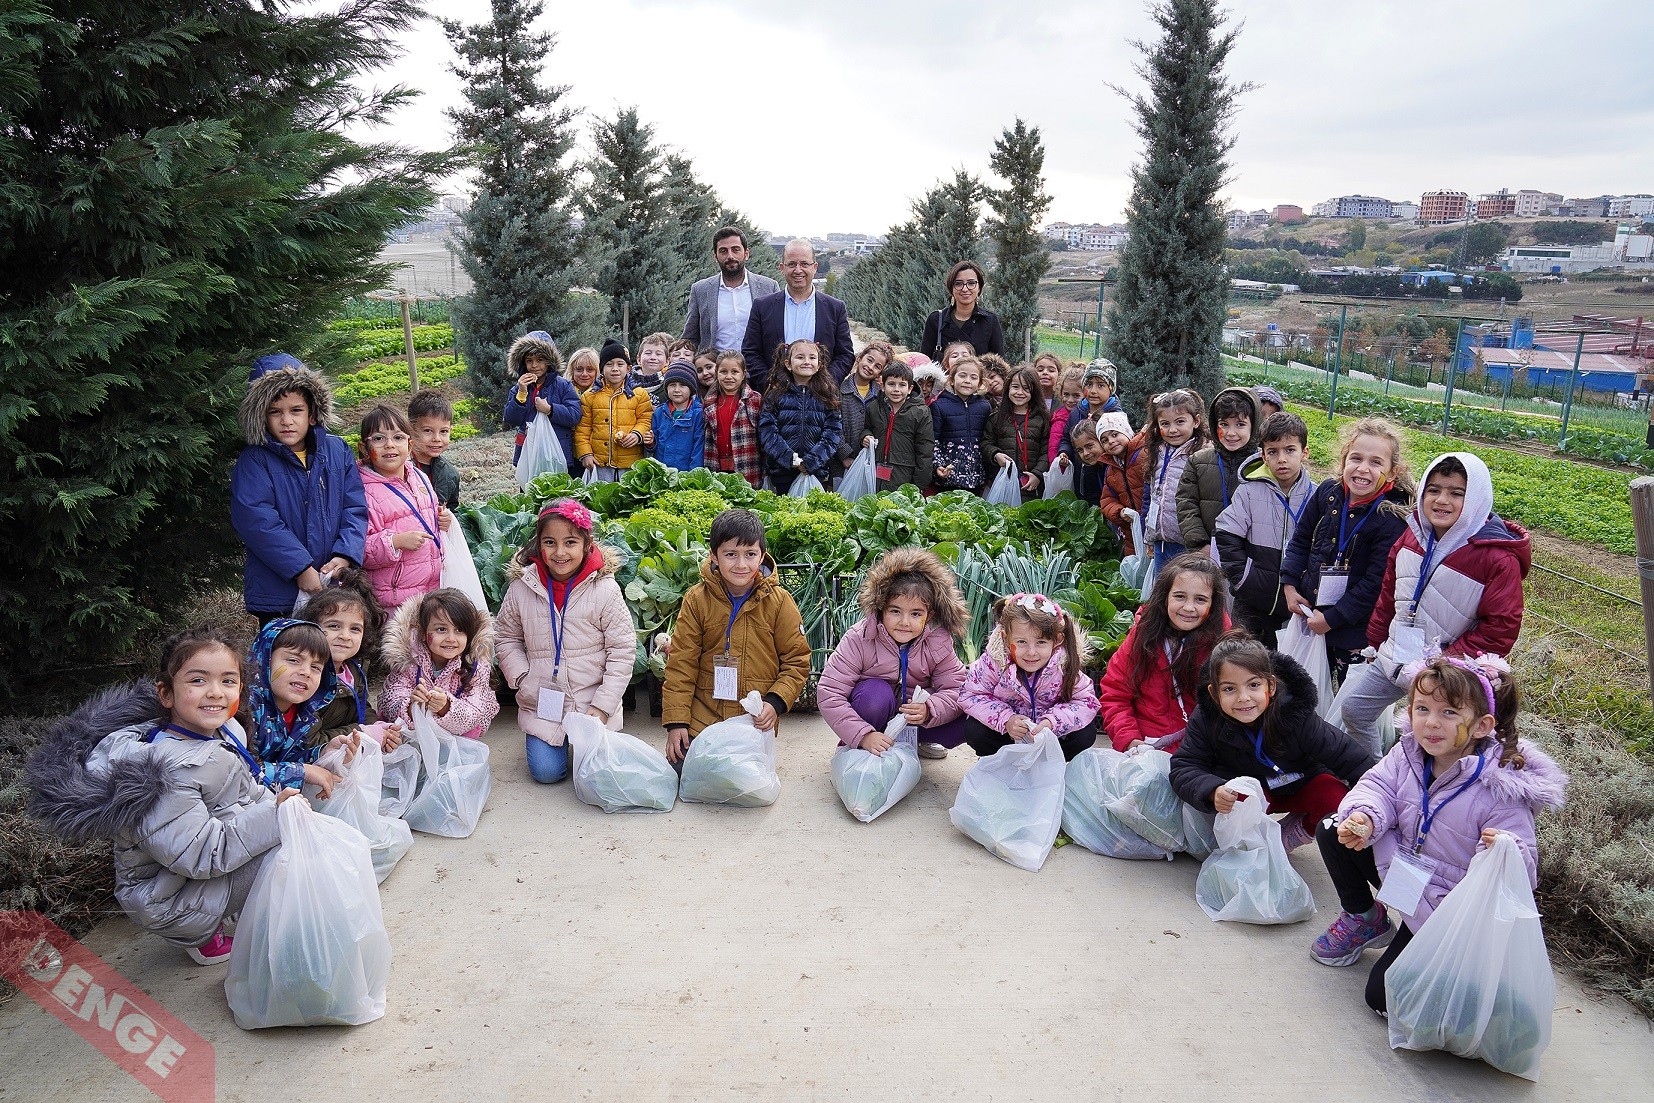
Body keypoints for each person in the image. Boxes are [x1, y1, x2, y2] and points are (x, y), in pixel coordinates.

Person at [28, 629, 301, 965]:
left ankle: (229, 912)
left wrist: (276, 807)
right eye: (198, 681)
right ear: (166, 693)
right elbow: (202, 854)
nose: (215, 693)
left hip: (187, 873)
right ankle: (201, 931)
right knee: (285, 849)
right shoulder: (159, 770)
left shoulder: (221, 732)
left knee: (291, 834)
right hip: (164, 897)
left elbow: (246, 792)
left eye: (228, 681)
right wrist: (275, 817)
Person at [1313, 653, 1566, 1015]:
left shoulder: (1502, 788)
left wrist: (1503, 850)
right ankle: (1365, 918)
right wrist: (1366, 818)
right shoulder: (1408, 752)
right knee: (1335, 828)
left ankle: (1470, 985)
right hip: (1406, 873)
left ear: (1481, 725)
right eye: (1421, 709)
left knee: (1383, 999)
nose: (1430, 723)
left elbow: (1522, 875)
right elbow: (1377, 787)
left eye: (1449, 713)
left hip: (1447, 909)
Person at [1337, 452, 1530, 757]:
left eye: (1456, 493)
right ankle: (1372, 774)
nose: (1442, 500)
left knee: (1426, 735)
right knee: (1355, 709)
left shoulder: (1496, 558)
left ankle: (1412, 784)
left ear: (1477, 498)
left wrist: (1444, 663)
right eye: (1434, 490)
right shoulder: (1411, 537)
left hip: (1446, 671)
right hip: (1396, 654)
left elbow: (1501, 628)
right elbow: (1389, 593)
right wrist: (1376, 640)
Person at [1170, 631, 1376, 854]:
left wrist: (1369, 810)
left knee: (1335, 797)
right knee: (1236, 796)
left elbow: (1355, 761)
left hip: (1299, 783)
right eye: (1229, 689)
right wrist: (1213, 790)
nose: (1243, 697)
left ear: (1271, 686)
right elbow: (1184, 766)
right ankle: (1249, 844)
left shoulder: (1297, 715)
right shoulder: (1207, 718)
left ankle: (1295, 832)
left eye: (1254, 685)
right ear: (1214, 693)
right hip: (1250, 793)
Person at [495, 500, 636, 785]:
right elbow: (506, 637)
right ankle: (552, 743)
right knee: (547, 774)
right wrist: (523, 678)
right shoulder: (522, 587)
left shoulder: (605, 589)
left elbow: (622, 650)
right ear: (539, 545)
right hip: (542, 702)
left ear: (586, 544)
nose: (560, 552)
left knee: (598, 777)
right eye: (550, 542)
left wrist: (603, 706)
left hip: (591, 701)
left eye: (570, 542)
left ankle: (589, 736)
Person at [662, 508, 812, 764]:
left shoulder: (779, 602)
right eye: (730, 554)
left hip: (754, 721)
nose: (741, 564)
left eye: (750, 554)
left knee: (743, 784)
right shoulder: (697, 600)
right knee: (686, 773)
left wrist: (774, 704)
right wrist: (676, 722)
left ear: (762, 556)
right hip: (703, 717)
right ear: (714, 557)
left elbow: (797, 661)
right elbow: (681, 664)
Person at [230, 354, 366, 625]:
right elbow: (257, 521)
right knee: (286, 658)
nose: (286, 421)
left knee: (332, 655)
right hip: (279, 589)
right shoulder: (255, 460)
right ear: (261, 417)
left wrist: (345, 554)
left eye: (296, 410)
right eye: (275, 412)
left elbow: (355, 508)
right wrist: (300, 568)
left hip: (333, 580)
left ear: (313, 413)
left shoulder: (337, 451)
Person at [1280, 417, 1413, 680]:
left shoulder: (1391, 518)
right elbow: (1301, 538)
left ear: (1393, 472)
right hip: (1310, 614)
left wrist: (1333, 618)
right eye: (1356, 458)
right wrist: (1290, 585)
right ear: (1344, 461)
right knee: (1303, 689)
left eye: (1376, 462)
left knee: (1343, 698)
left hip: (1353, 629)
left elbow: (1375, 583)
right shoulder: (1328, 492)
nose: (1363, 469)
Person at [817, 547, 969, 761]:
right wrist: (863, 734)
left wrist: (929, 710)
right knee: (874, 694)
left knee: (971, 717)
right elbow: (829, 692)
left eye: (916, 614)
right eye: (895, 611)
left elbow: (957, 689)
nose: (905, 622)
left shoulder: (938, 641)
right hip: (872, 716)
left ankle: (916, 741)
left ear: (929, 615)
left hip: (915, 721)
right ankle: (861, 744)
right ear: (881, 609)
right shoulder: (860, 638)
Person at [1098, 553, 1230, 753]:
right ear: (1164, 596)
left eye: (1200, 599)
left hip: (1203, 752)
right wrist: (1130, 740)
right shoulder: (1142, 636)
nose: (1188, 607)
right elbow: (1115, 694)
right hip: (1146, 748)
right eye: (1179, 596)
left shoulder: (1224, 646)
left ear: (1213, 605)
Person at [960, 592, 1100, 762]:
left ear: (1057, 640)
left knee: (1086, 733)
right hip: (1009, 735)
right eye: (1021, 642)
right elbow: (971, 695)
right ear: (1005, 638)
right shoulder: (994, 663)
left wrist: (1052, 723)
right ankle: (1002, 764)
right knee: (974, 730)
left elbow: (1086, 702)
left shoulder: (1064, 665)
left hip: (1048, 737)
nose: (1031, 652)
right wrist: (1006, 720)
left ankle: (1051, 765)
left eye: (1041, 642)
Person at [1215, 411, 1314, 648]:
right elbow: (1227, 533)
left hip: (1298, 603)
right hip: (1253, 599)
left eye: (1290, 450)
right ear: (1263, 455)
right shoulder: (1249, 492)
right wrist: (1243, 579)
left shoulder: (1318, 497)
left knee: (1286, 669)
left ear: (1305, 453)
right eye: (1273, 451)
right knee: (1246, 659)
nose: (1282, 459)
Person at [241, 617, 357, 794]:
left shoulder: (304, 713)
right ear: (264, 661)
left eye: (316, 667)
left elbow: (286, 758)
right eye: (294, 660)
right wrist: (302, 772)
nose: (306, 672)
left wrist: (322, 752)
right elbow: (239, 775)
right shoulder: (245, 710)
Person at [357, 404, 448, 613]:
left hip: (431, 592)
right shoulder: (363, 491)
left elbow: (431, 514)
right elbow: (359, 549)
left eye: (398, 437)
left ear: (410, 445)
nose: (389, 445)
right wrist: (395, 542)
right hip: (392, 602)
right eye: (378, 439)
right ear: (364, 448)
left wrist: (443, 519)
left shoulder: (420, 477)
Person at [379, 588, 500, 739]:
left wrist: (446, 707)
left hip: (459, 731)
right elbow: (389, 702)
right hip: (414, 729)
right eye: (441, 629)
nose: (451, 638)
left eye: (459, 630)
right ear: (423, 633)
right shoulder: (408, 660)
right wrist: (411, 706)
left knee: (471, 731)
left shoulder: (475, 665)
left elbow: (475, 712)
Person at [296, 575, 399, 751]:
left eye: (355, 629)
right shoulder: (307, 677)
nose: (345, 636)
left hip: (346, 753)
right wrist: (362, 732)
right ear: (311, 627)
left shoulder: (353, 670)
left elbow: (361, 709)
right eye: (334, 626)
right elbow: (307, 742)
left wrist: (380, 728)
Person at [742, 239, 853, 390]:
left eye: (804, 264)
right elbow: (750, 352)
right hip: (774, 401)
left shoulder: (835, 308)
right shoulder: (762, 307)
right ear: (782, 268)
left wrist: (825, 383)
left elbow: (845, 355)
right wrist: (771, 383)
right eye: (792, 264)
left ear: (815, 267)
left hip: (820, 400)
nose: (798, 270)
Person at [1177, 386, 1259, 557]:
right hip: (1208, 551)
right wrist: (1200, 544)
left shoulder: (1263, 464)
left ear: (1255, 425)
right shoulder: (1198, 461)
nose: (1230, 433)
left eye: (1240, 425)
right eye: (1224, 424)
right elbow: (1186, 504)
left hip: (1249, 554)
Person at [758, 339, 841, 494]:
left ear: (820, 365)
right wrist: (789, 458)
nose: (806, 362)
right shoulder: (775, 395)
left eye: (812, 357)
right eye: (800, 357)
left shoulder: (827, 396)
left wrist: (812, 461)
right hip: (783, 472)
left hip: (815, 471)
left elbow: (833, 433)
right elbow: (767, 431)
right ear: (788, 364)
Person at [681, 225, 781, 350]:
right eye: (723, 251)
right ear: (715, 257)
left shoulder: (769, 287)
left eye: (735, 250)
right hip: (715, 366)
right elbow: (690, 338)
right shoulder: (700, 290)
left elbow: (777, 334)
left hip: (756, 367)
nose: (730, 256)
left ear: (746, 254)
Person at [1141, 389, 1208, 568]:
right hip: (1161, 542)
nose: (1172, 430)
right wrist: (1149, 535)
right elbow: (1154, 497)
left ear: (1196, 421)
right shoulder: (1158, 451)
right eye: (1165, 424)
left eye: (1180, 422)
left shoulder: (1203, 454)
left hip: (1189, 544)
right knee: (1162, 591)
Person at [576, 339, 655, 482]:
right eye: (609, 364)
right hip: (600, 463)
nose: (615, 369)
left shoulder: (639, 394)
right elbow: (583, 429)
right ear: (601, 369)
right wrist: (585, 454)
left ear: (629, 368)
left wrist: (637, 435)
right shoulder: (590, 396)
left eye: (620, 364)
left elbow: (646, 419)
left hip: (630, 462)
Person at [501, 331, 581, 466]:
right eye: (529, 361)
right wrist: (521, 394)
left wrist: (550, 410)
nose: (534, 366)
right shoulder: (519, 388)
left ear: (549, 361)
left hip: (557, 454)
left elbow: (574, 415)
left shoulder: (563, 385)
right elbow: (511, 419)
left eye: (540, 360)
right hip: (528, 454)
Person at [860, 359, 934, 492]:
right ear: (882, 386)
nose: (896, 390)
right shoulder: (873, 407)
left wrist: (919, 485)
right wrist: (865, 436)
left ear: (910, 388)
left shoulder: (921, 412)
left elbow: (925, 450)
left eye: (902, 385)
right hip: (874, 472)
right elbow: (867, 428)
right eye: (891, 384)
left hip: (904, 475)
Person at [982, 365, 1050, 500]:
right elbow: (986, 442)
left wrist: (1037, 474)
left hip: (1031, 486)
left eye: (1026, 388)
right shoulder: (996, 416)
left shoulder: (1042, 419)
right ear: (1007, 388)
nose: (1020, 392)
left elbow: (1046, 451)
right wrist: (996, 455)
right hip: (1003, 483)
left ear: (1034, 391)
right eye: (1015, 387)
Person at [919, 260, 1005, 362]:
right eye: (958, 284)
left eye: (971, 283)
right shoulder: (936, 319)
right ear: (951, 288)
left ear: (979, 288)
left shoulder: (989, 320)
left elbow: (998, 365)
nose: (965, 289)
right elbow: (924, 362)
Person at [931, 355, 993, 492]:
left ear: (980, 383)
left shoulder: (985, 407)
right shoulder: (939, 406)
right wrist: (938, 465)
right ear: (952, 380)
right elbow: (932, 441)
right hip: (948, 477)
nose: (967, 381)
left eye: (973, 377)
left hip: (977, 478)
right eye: (962, 376)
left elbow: (988, 439)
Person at [704, 349, 764, 487]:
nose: (729, 377)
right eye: (723, 372)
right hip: (716, 466)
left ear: (743, 374)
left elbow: (762, 436)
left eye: (735, 372)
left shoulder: (755, 400)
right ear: (716, 373)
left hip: (748, 466)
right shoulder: (709, 401)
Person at [1092, 412, 1148, 556]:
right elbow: (1107, 500)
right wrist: (1119, 512)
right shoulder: (1111, 470)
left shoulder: (1144, 455)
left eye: (1115, 434)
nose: (1110, 441)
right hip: (1131, 535)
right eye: (1104, 440)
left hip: (1154, 528)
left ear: (1127, 433)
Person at [837, 341, 890, 473]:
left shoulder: (881, 395)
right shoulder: (839, 390)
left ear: (880, 373)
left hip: (869, 464)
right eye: (869, 360)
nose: (870, 367)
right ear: (860, 357)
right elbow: (833, 427)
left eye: (877, 366)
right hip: (839, 464)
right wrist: (844, 455)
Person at [408, 390, 460, 511]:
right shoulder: (399, 467)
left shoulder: (450, 475)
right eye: (428, 431)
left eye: (443, 431)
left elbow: (452, 509)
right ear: (411, 430)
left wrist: (447, 519)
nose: (436, 439)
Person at [651, 360, 706, 472]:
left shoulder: (699, 414)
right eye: (672, 385)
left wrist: (692, 477)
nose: (677, 390)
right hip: (663, 474)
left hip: (686, 474)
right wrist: (650, 443)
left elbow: (699, 449)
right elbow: (654, 447)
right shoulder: (659, 413)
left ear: (691, 389)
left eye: (682, 385)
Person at [1046, 364, 1086, 461]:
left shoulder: (1088, 415)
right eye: (1066, 394)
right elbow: (1053, 448)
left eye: (1076, 396)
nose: (1070, 400)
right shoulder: (1060, 419)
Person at [630, 332, 673, 403]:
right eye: (648, 353)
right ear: (639, 359)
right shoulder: (626, 382)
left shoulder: (670, 384)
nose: (653, 357)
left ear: (667, 361)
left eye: (658, 354)